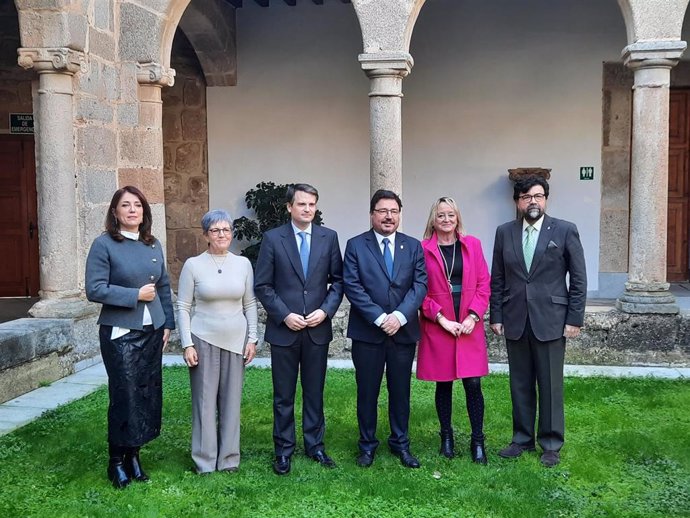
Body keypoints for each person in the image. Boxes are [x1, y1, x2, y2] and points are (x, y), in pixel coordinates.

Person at [489, 176, 586, 468]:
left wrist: (574, 318)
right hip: (515, 317)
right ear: (517, 202)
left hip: (552, 320)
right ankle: (521, 439)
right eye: (526, 196)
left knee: (550, 383)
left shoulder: (566, 230)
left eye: (539, 196)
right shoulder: (504, 232)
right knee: (520, 382)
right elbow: (498, 277)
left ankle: (551, 442)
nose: (533, 201)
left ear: (546, 199)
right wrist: (496, 315)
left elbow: (579, 279)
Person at [85, 185, 175, 489]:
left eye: (137, 205)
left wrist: (168, 324)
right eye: (126, 205)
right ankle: (116, 462)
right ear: (115, 212)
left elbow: (163, 286)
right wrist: (134, 295)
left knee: (146, 394)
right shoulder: (104, 244)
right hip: (120, 332)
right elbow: (94, 289)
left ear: (144, 212)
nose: (132, 210)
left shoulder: (153, 244)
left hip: (152, 331)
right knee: (124, 396)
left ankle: (135, 456)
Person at [254, 183, 344, 475]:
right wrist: (284, 315)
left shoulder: (328, 238)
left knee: (314, 391)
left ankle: (315, 445)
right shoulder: (272, 239)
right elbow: (263, 285)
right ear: (289, 207)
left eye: (312, 204)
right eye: (302, 204)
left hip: (317, 328)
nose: (307, 209)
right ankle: (283, 450)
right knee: (283, 394)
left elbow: (339, 281)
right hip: (285, 330)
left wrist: (325, 310)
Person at [343, 189, 427, 469]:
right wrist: (380, 318)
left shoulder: (413, 246)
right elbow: (353, 286)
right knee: (367, 391)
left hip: (402, 332)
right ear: (372, 214)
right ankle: (367, 446)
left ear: (399, 214)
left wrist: (400, 317)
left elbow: (420, 285)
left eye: (393, 211)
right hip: (368, 332)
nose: (389, 216)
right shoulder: (355, 246)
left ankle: (400, 443)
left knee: (400, 390)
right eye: (383, 211)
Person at [176, 209, 258, 475]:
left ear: (231, 233)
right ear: (205, 235)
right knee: (204, 402)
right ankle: (204, 460)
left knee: (231, 403)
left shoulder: (243, 264)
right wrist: (187, 343)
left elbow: (250, 303)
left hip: (236, 340)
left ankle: (229, 460)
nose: (222, 235)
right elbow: (183, 306)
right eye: (215, 230)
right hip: (203, 339)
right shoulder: (193, 265)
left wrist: (253, 338)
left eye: (226, 230)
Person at [417, 197, 491, 464]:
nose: (446, 219)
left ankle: (478, 440)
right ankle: (446, 437)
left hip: (469, 323)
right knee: (444, 383)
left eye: (451, 214)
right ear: (433, 220)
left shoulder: (473, 245)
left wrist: (474, 315)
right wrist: (440, 318)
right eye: (441, 215)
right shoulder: (422, 249)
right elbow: (418, 291)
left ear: (458, 217)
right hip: (440, 325)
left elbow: (484, 283)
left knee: (473, 384)